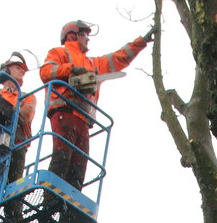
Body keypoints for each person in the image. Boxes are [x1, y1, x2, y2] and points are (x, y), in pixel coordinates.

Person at [39, 19, 155, 204]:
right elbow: (46, 72)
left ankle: (67, 207)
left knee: (79, 165)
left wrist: (142, 42)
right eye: (85, 35)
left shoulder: (93, 63)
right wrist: (70, 70)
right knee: (62, 157)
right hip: (64, 111)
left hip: (83, 118)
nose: (88, 40)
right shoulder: (59, 52)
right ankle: (49, 203)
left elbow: (118, 58)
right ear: (73, 35)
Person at [0, 52, 37, 223]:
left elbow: (25, 115)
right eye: (17, 66)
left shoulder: (27, 97)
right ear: (6, 69)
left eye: (23, 69)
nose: (22, 70)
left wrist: (5, 110)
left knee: (14, 184)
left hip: (16, 145)